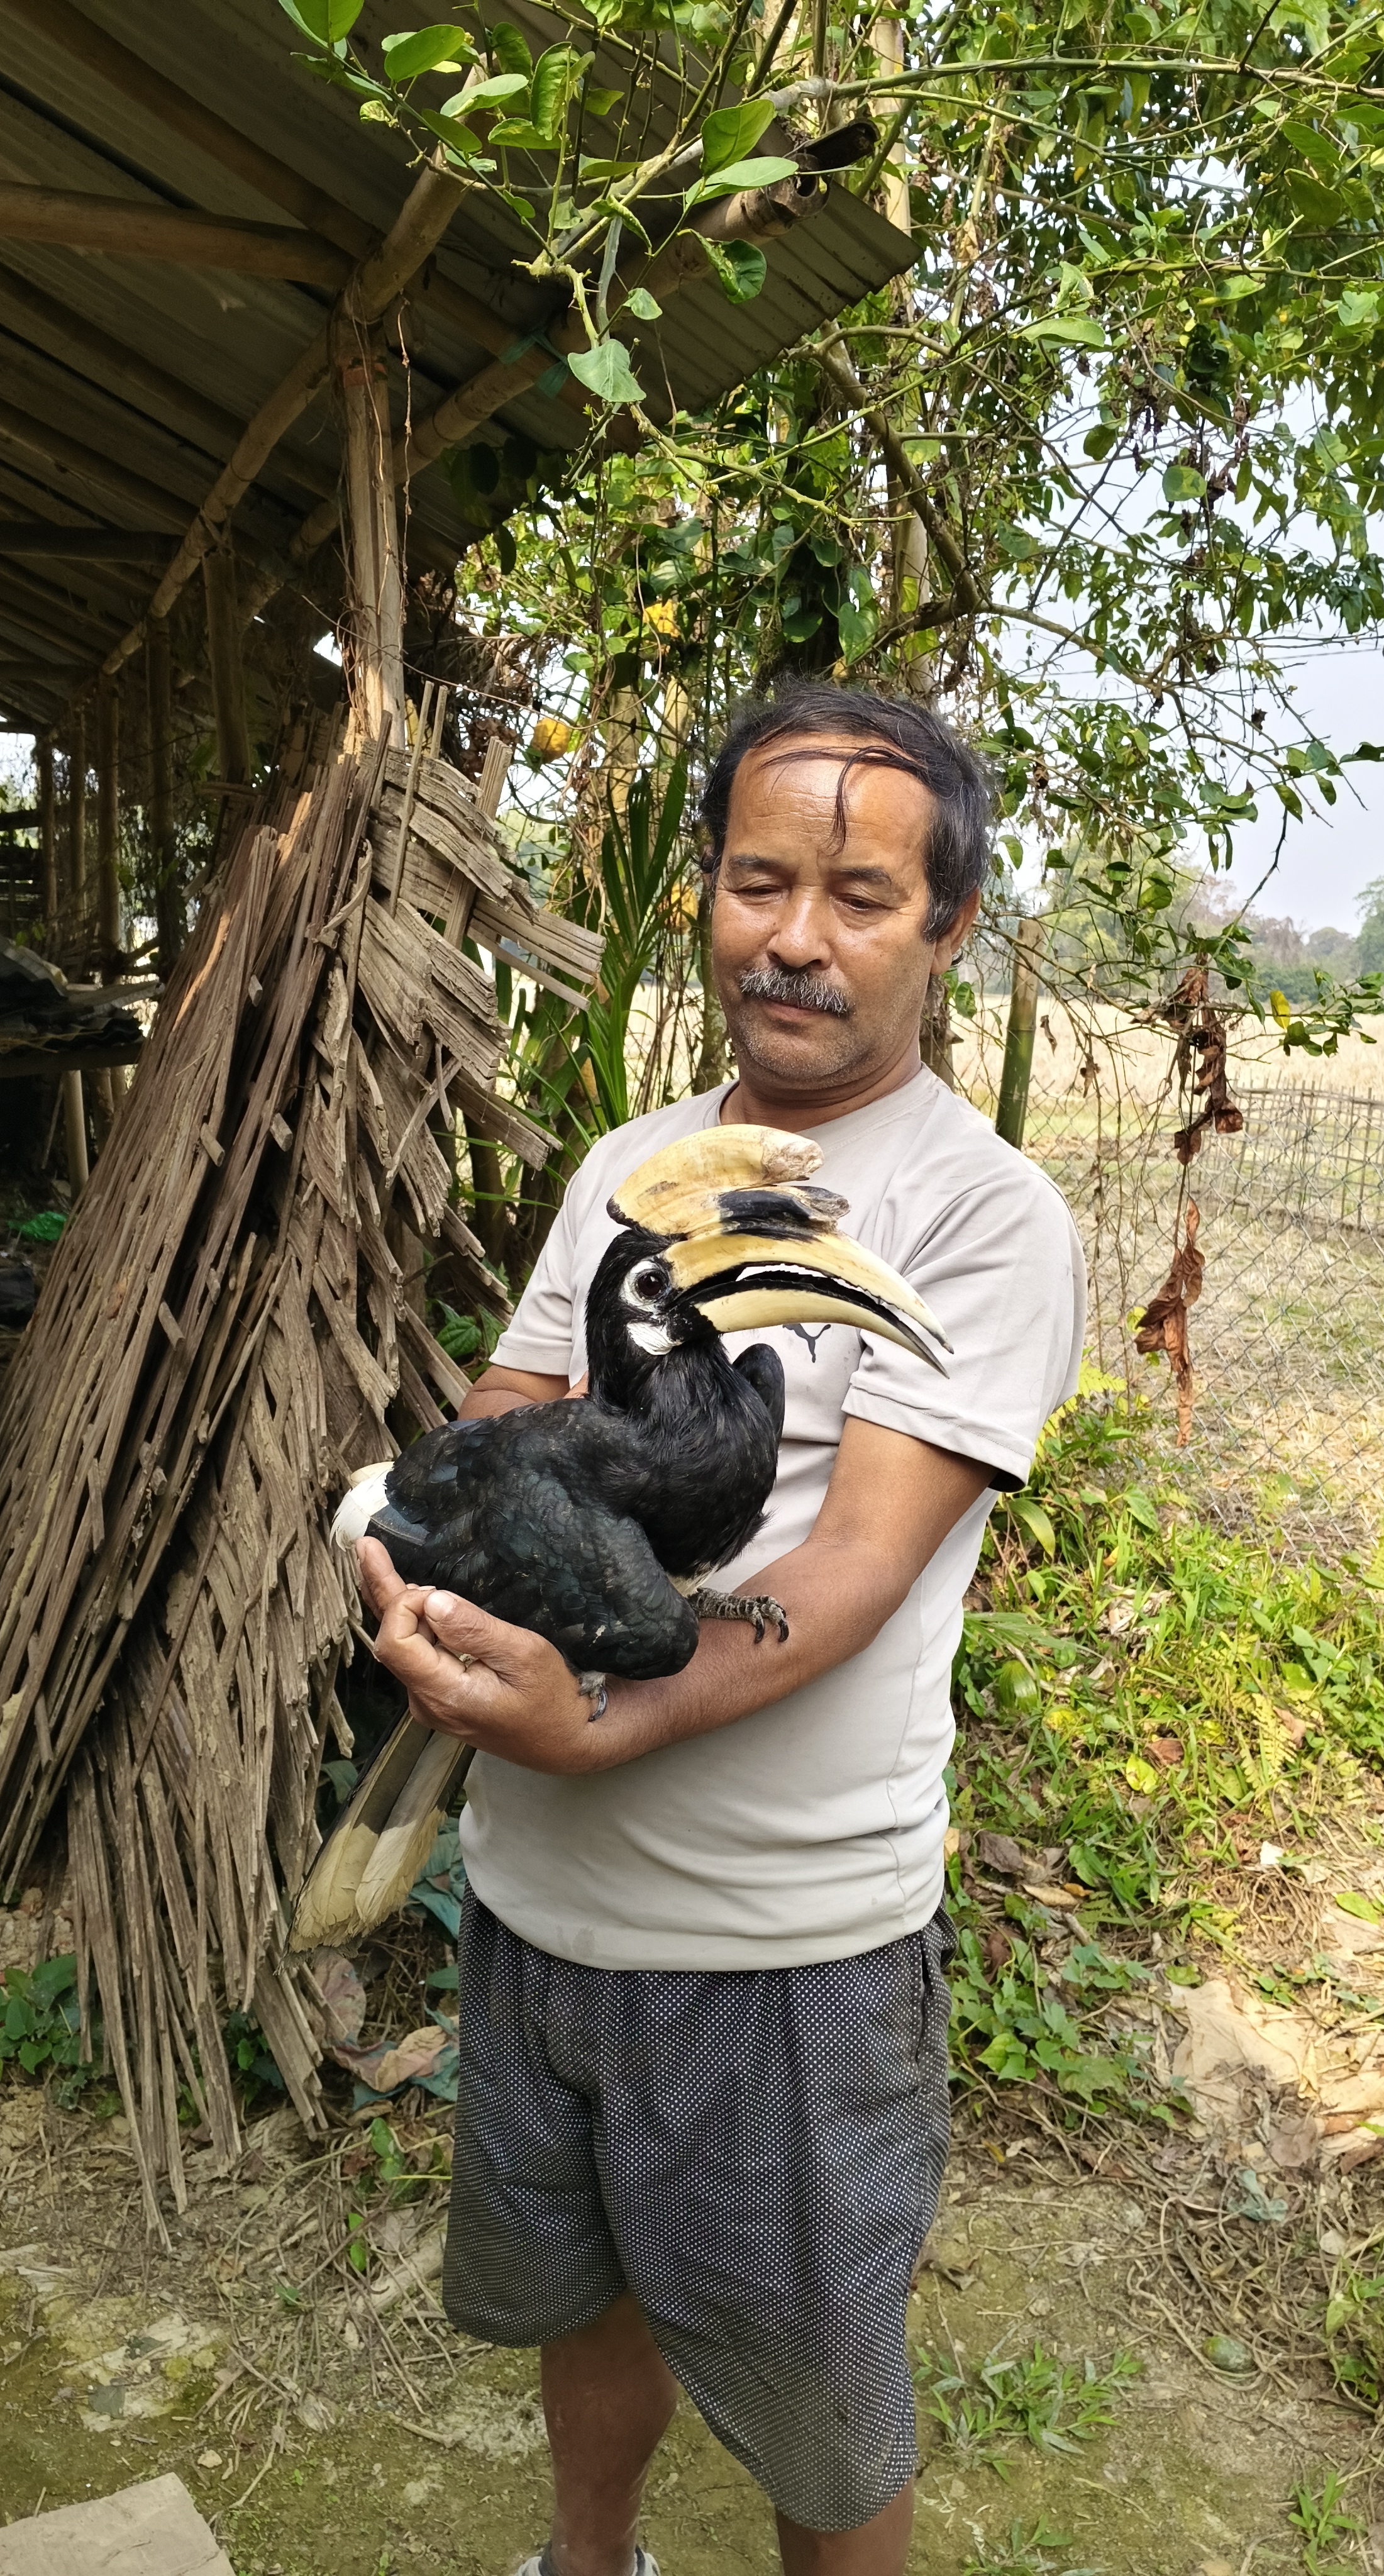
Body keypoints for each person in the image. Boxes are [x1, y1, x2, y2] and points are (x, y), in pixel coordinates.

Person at [354, 683, 1087, 2576]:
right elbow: (521, 1400)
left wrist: (621, 1712)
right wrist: (429, 1534)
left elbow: (851, 1563)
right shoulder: (636, 1162)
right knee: (580, 2303)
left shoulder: (980, 1216)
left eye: (857, 894)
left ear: (947, 928)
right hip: (539, 1901)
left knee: (816, 2400)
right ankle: (588, 2561)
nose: (794, 935)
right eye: (759, 881)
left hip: (782, 1950)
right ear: (709, 895)